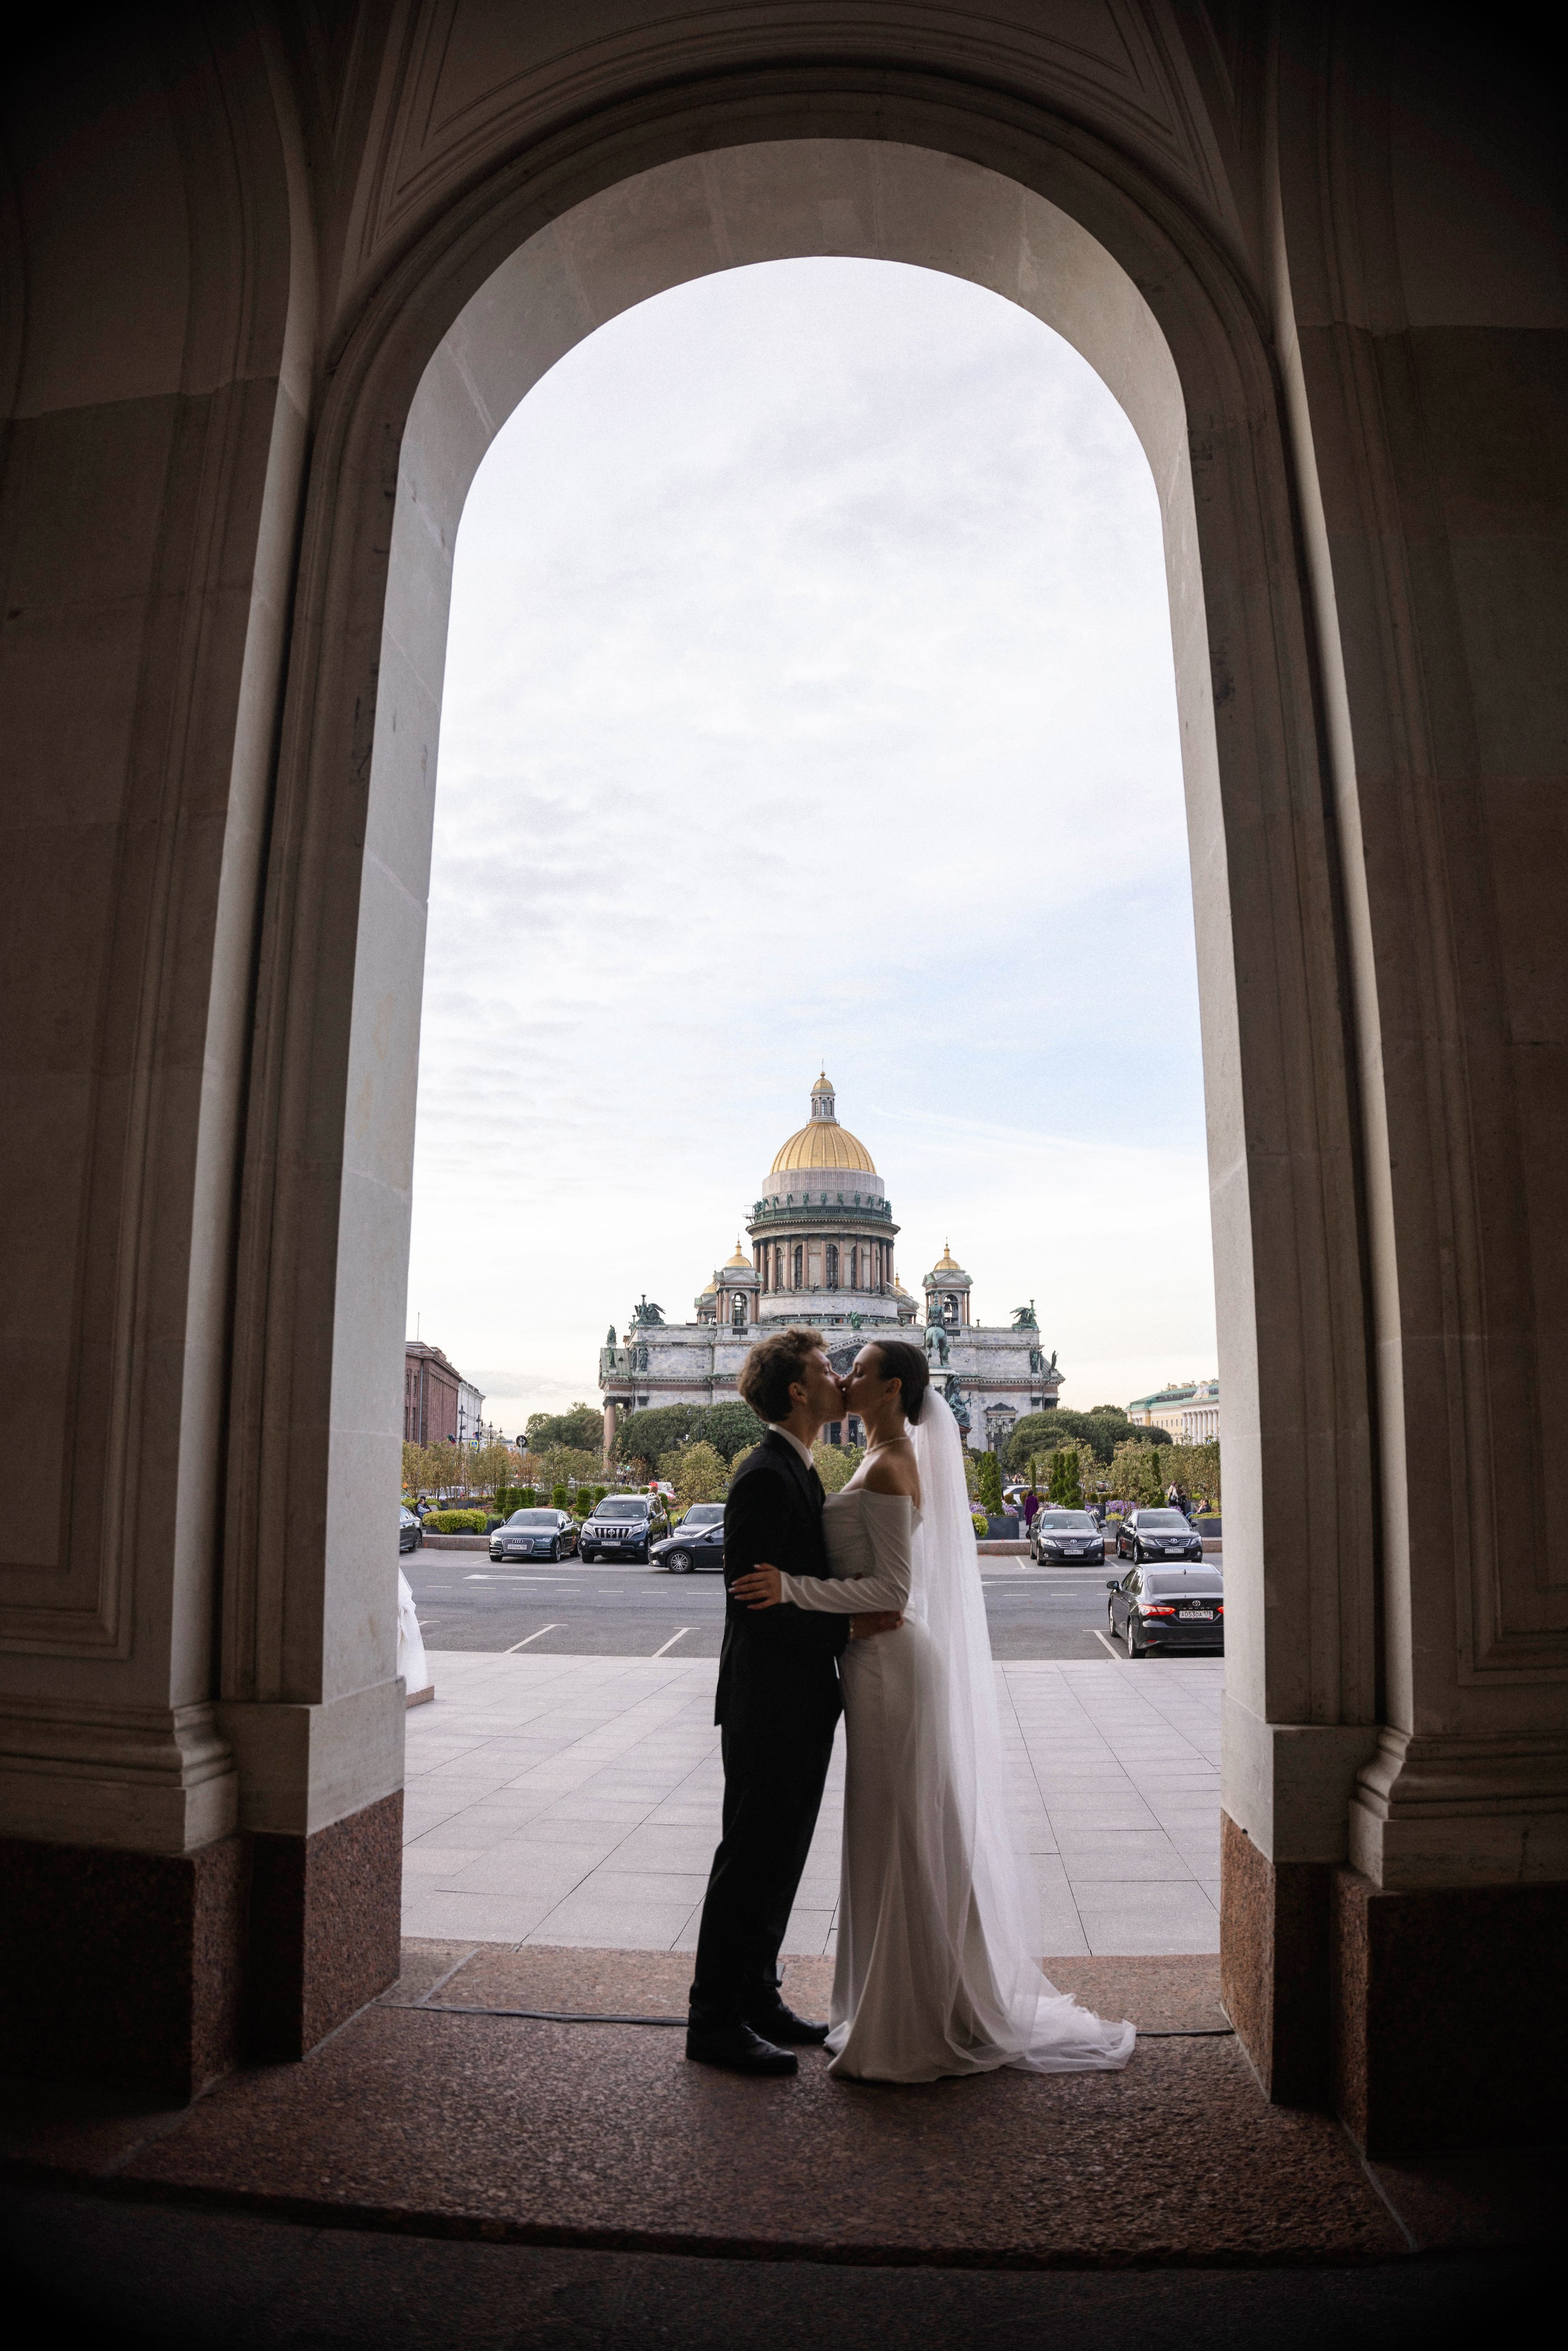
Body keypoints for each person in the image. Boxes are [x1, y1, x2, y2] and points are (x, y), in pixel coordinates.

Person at [732, 1338, 1134, 2085]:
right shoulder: (874, 1455)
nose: (843, 1375)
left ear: (891, 1388)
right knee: (891, 1831)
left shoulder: (890, 1462)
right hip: (870, 1661)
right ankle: (900, 2002)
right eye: (836, 1367)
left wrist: (791, 1588)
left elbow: (890, 1591)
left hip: (889, 1665)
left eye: (857, 1369)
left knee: (900, 1832)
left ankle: (908, 2020)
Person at [687, 1326, 899, 2077]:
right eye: (823, 1367)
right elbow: (755, 1604)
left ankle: (757, 1995)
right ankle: (713, 2020)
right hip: (769, 1704)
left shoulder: (795, 1466)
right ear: (799, 1391)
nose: (838, 1375)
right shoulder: (766, 1475)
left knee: (778, 1860)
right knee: (749, 1862)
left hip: (797, 1700)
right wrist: (847, 1624)